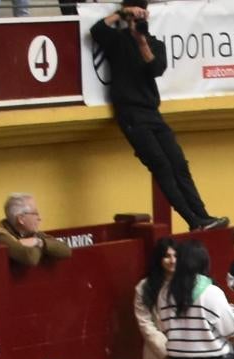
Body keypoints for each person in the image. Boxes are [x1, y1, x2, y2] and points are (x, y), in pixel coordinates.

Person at [86, 1, 216, 230]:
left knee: (179, 164)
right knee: (161, 166)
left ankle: (203, 215)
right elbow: (96, 30)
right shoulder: (117, 40)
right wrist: (120, 14)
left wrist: (142, 40)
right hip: (131, 114)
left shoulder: (154, 43)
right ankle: (193, 220)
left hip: (152, 112)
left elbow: (156, 69)